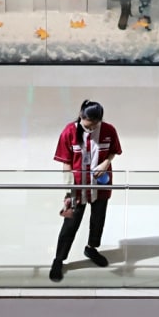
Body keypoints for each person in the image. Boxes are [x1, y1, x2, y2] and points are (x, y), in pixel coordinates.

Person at [49, 100, 122, 283]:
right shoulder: (69, 132)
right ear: (81, 117)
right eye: (88, 125)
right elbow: (66, 162)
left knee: (98, 221)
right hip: (78, 187)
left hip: (100, 185)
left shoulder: (108, 130)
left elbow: (113, 151)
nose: (91, 129)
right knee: (70, 225)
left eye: (95, 125)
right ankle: (59, 259)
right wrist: (68, 190)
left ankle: (91, 248)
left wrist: (106, 163)